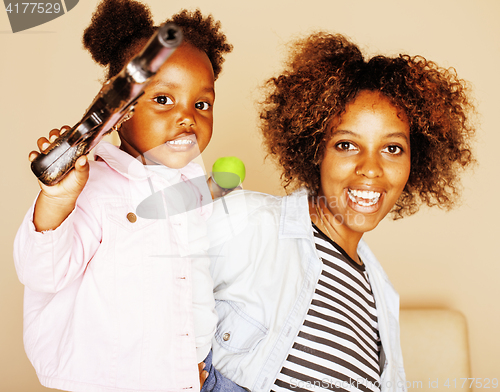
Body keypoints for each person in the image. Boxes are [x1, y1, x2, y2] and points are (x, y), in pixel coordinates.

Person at [206, 32, 475, 392]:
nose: (370, 168)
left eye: (392, 148)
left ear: (416, 161)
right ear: (316, 149)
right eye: (347, 145)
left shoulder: (381, 297)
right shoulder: (247, 223)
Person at [12, 0, 245, 391]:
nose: (188, 117)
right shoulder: (93, 187)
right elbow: (42, 272)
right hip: (114, 380)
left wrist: (216, 188)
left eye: (201, 104)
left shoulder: (185, 177)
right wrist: (57, 201)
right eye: (163, 99)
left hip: (194, 373)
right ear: (118, 109)